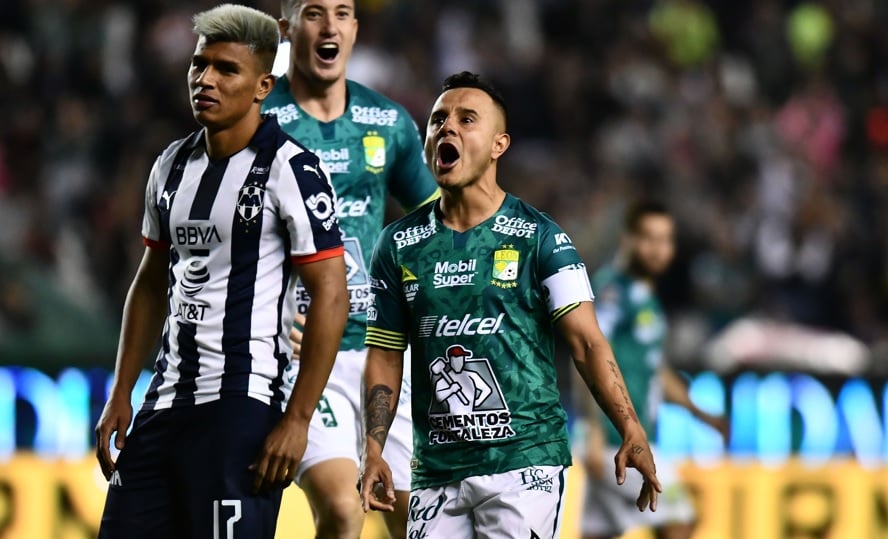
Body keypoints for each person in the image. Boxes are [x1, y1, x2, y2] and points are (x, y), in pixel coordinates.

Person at [358, 71, 662, 538]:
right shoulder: (397, 244)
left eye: (467, 119)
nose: (447, 127)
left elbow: (587, 342)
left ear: (499, 144)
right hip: (436, 470)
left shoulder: (542, 238)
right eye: (438, 120)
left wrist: (630, 427)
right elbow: (384, 352)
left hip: (524, 465)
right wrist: (374, 447)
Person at [93, 5, 349, 538]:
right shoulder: (169, 165)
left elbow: (331, 293)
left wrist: (297, 419)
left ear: (262, 87)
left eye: (226, 69)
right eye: (199, 64)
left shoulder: (292, 169)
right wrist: (121, 392)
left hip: (242, 407)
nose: (205, 80)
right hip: (163, 402)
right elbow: (150, 282)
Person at [262, 1, 438, 537]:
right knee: (343, 509)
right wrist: (265, 319)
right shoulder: (258, 120)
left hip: (384, 352)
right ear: (287, 28)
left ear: (355, 29)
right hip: (303, 355)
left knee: (420, 521)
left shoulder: (388, 122)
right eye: (315, 12)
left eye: (342, 13)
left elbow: (440, 226)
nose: (330, 26)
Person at [577, 201, 730, 539]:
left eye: (666, 240)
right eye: (649, 238)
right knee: (679, 521)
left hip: (624, 437)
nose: (659, 249)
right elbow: (587, 353)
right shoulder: (613, 289)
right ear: (629, 239)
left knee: (598, 533)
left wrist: (702, 415)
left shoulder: (647, 297)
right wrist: (593, 429)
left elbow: (656, 370)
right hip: (616, 438)